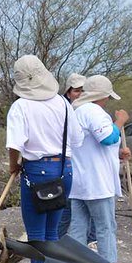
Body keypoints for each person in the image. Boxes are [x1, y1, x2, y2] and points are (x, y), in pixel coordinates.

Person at [6, 55, 84, 263]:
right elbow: (77, 139)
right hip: (64, 169)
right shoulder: (63, 103)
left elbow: (15, 145)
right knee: (52, 232)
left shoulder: (21, 106)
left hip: (37, 171)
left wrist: (13, 166)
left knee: (37, 234)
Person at [67, 75, 131, 263]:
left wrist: (118, 154)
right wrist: (120, 121)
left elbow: (90, 146)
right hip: (98, 182)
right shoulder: (94, 112)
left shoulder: (76, 111)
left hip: (79, 181)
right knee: (105, 227)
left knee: (78, 227)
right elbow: (107, 138)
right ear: (103, 95)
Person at [57, 73, 88, 239]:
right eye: (77, 91)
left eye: (82, 91)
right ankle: (55, 242)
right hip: (65, 163)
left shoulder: (86, 110)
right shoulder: (63, 108)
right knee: (65, 207)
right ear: (68, 92)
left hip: (80, 165)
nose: (80, 94)